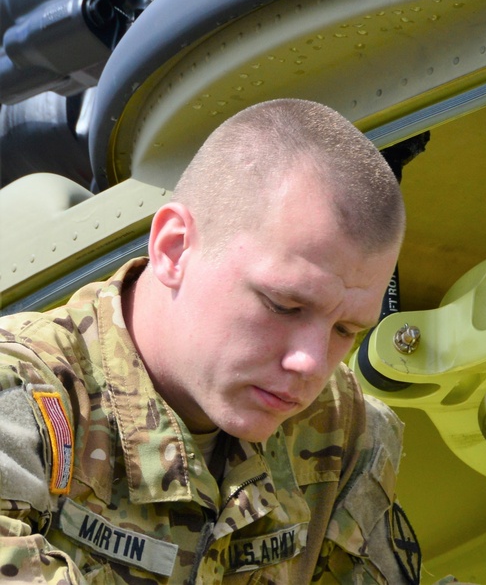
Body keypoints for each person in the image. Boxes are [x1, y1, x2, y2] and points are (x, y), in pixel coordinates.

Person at [0, 99, 422, 583]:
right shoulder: (26, 401)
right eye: (284, 305)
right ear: (174, 248)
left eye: (346, 330)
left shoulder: (338, 424)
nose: (310, 362)